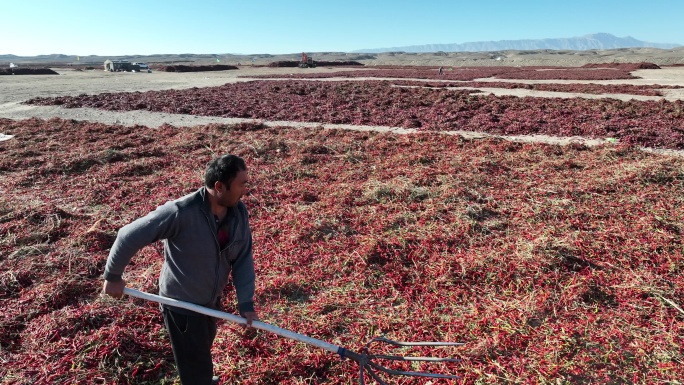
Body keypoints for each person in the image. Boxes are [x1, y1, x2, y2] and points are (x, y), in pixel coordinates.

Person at [102, 154, 259, 385]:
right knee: (194, 363)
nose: (246, 189)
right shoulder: (181, 212)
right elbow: (128, 235)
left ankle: (201, 376)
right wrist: (113, 276)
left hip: (210, 301)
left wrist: (246, 303)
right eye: (241, 184)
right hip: (182, 304)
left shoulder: (238, 213)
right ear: (219, 186)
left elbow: (243, 258)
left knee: (201, 350)